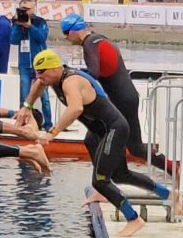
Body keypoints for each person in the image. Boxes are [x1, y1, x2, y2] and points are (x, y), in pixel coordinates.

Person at [16, 49, 179, 237]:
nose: (38, 76)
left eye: (42, 72)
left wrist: (52, 133)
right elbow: (38, 85)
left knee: (100, 180)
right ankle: (168, 194)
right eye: (37, 72)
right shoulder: (51, 78)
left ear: (54, 67)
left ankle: (134, 219)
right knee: (120, 175)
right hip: (98, 132)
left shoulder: (71, 82)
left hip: (114, 129)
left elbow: (75, 109)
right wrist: (26, 107)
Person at [61, 12, 169, 172]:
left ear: (72, 31)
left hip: (121, 100)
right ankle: (171, 169)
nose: (65, 38)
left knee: (95, 139)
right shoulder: (100, 38)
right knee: (131, 146)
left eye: (65, 34)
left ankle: (108, 180)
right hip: (126, 97)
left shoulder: (89, 44)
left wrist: (70, 73)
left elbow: (93, 73)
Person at [10, 0, 53, 130]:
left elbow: (42, 38)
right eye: (23, 9)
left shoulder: (40, 22)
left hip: (41, 65)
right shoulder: (17, 23)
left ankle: (48, 124)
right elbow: (13, 40)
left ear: (33, 9)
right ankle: (28, 122)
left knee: (44, 96)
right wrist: (18, 25)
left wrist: (30, 26)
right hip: (24, 64)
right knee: (24, 94)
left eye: (28, 9)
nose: (26, 12)